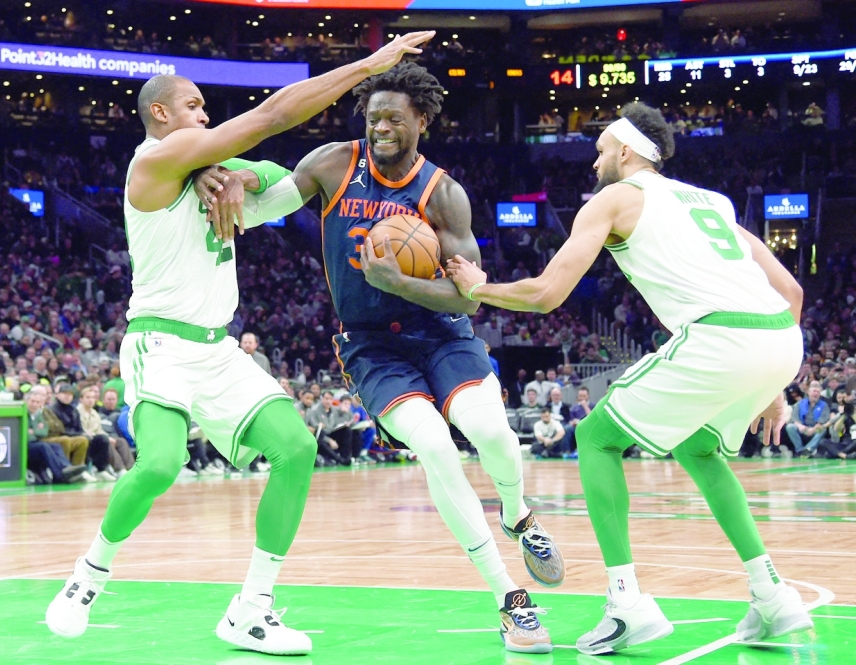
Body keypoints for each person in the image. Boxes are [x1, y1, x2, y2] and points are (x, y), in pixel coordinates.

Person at [45, 32, 435, 658]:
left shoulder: (204, 174)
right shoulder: (150, 166)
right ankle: (88, 576)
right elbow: (272, 117)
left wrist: (236, 174)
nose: (205, 113)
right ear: (161, 115)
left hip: (218, 351)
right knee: (160, 464)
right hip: (161, 345)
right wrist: (368, 65)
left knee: (296, 447)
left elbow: (290, 176)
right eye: (195, 105)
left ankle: (252, 609)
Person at [447, 102, 813, 655]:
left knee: (595, 437)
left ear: (624, 149)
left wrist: (478, 287)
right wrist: (772, 385)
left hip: (721, 336)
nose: (594, 162)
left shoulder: (616, 197)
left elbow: (547, 294)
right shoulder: (712, 201)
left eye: (599, 151)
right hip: (780, 339)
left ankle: (627, 603)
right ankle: (772, 594)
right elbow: (792, 294)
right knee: (698, 448)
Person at [249, 61, 562, 654]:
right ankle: (510, 600)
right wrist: (229, 174)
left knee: (493, 434)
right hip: (371, 345)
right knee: (436, 447)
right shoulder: (332, 164)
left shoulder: (443, 194)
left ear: (422, 119)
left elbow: (466, 290)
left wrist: (400, 283)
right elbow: (268, 204)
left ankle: (519, 515)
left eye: (394, 117)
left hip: (441, 329)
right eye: (373, 118)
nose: (381, 128)